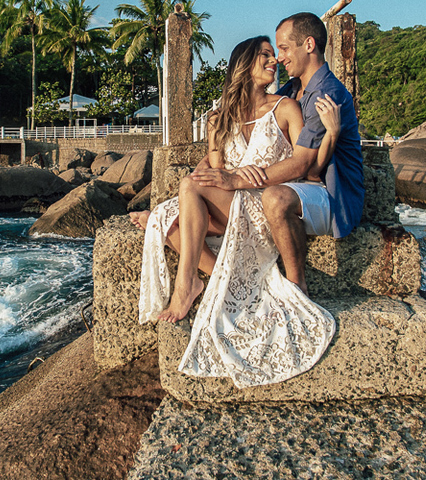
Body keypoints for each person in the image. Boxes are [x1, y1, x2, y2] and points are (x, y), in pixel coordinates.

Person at [133, 35, 341, 388]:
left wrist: (331, 135)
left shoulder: (285, 108)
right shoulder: (221, 118)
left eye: (275, 56)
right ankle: (210, 276)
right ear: (243, 64)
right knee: (161, 219)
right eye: (265, 55)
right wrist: (219, 158)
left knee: (188, 188)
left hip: (264, 204)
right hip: (231, 201)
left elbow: (305, 170)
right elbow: (216, 169)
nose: (274, 61)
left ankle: (185, 286)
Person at [191, 12, 364, 292]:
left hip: (334, 193)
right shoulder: (295, 88)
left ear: (308, 45)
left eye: (283, 49)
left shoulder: (324, 94)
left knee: (273, 198)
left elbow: (306, 168)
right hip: (300, 186)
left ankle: (296, 285)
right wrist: (210, 164)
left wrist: (235, 179)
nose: (279, 58)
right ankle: (213, 277)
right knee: (195, 196)